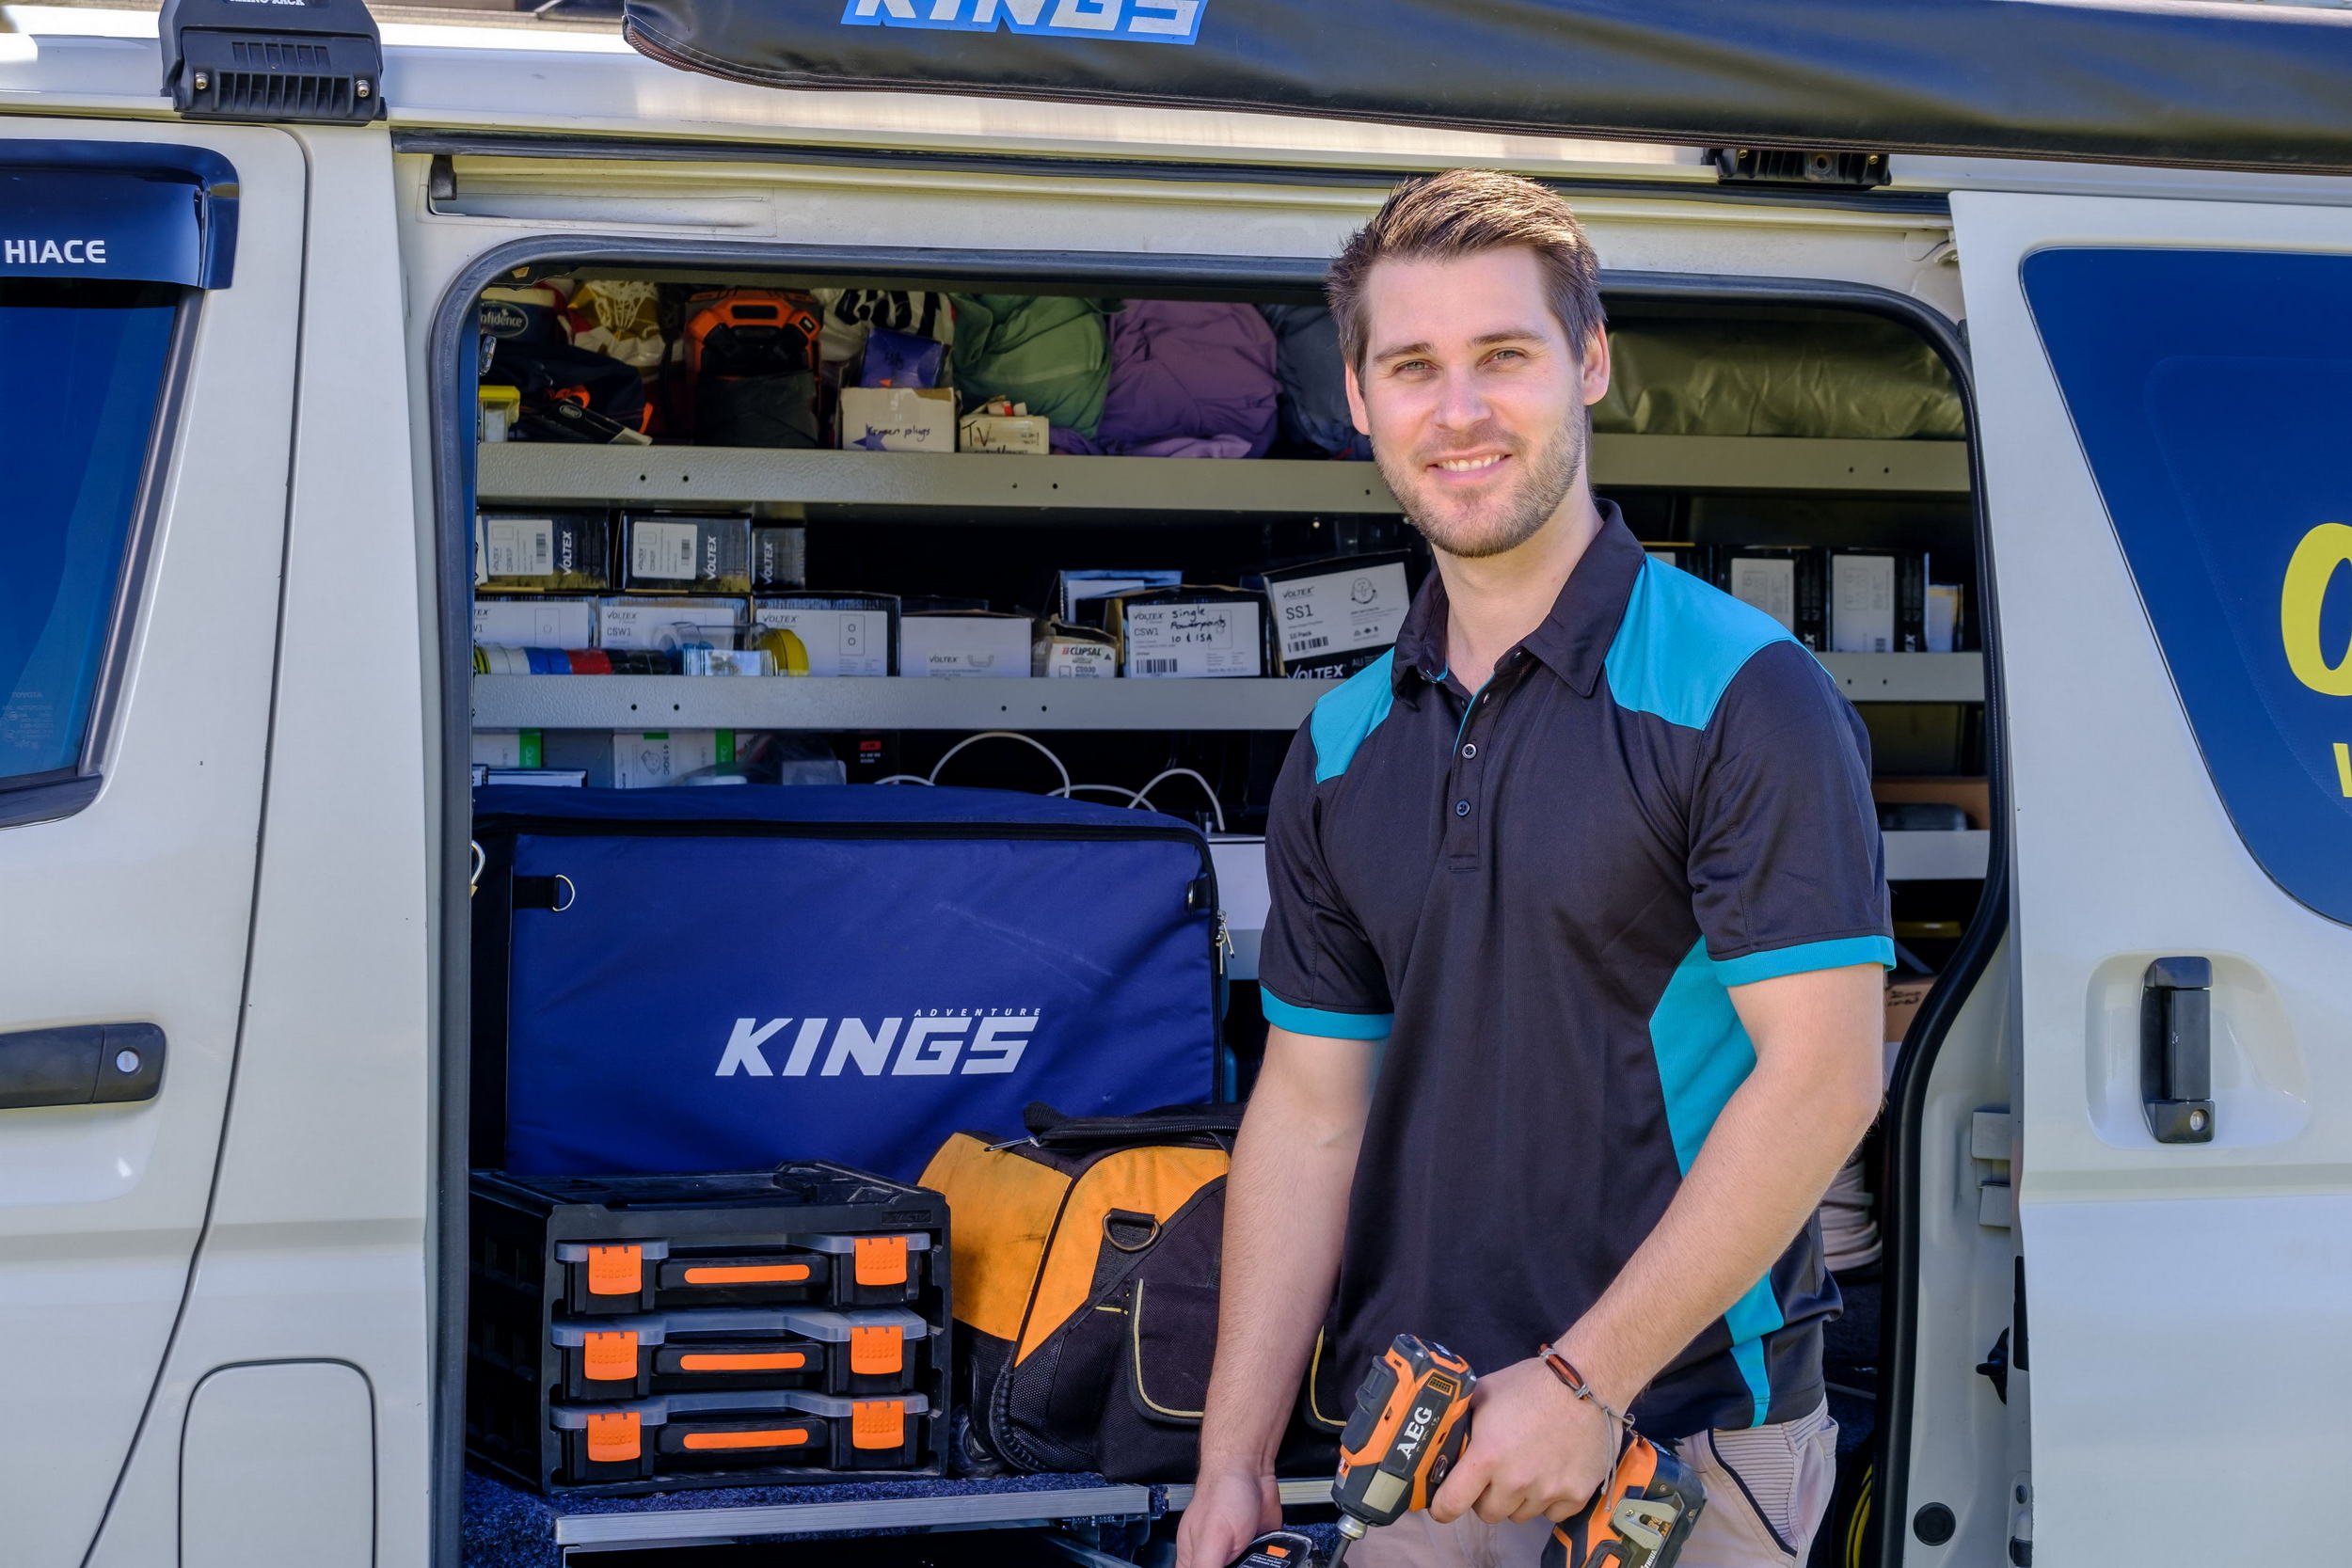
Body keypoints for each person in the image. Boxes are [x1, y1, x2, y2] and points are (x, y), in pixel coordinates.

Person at [1175, 170, 1891, 1568]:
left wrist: (1584, 1380)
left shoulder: (1744, 693)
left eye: (1504, 355)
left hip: (1676, 1441)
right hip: (1416, 1447)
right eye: (1413, 367)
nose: (1461, 412)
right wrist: (1234, 1456)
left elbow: (1824, 1079)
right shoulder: (1341, 744)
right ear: (1361, 401)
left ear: (1590, 363)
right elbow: (1311, 1113)